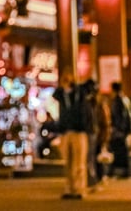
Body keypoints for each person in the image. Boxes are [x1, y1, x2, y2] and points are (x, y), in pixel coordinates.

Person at [53, 70, 92, 200]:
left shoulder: (79, 94)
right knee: (68, 162)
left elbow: (89, 85)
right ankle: (69, 188)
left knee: (79, 162)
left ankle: (80, 189)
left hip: (79, 131)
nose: (66, 82)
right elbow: (56, 94)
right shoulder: (61, 95)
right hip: (66, 132)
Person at [107, 81, 131, 178]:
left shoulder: (118, 100)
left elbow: (120, 116)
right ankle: (122, 171)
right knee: (121, 150)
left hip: (119, 130)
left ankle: (116, 171)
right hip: (123, 130)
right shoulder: (125, 99)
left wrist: (118, 129)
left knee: (118, 150)